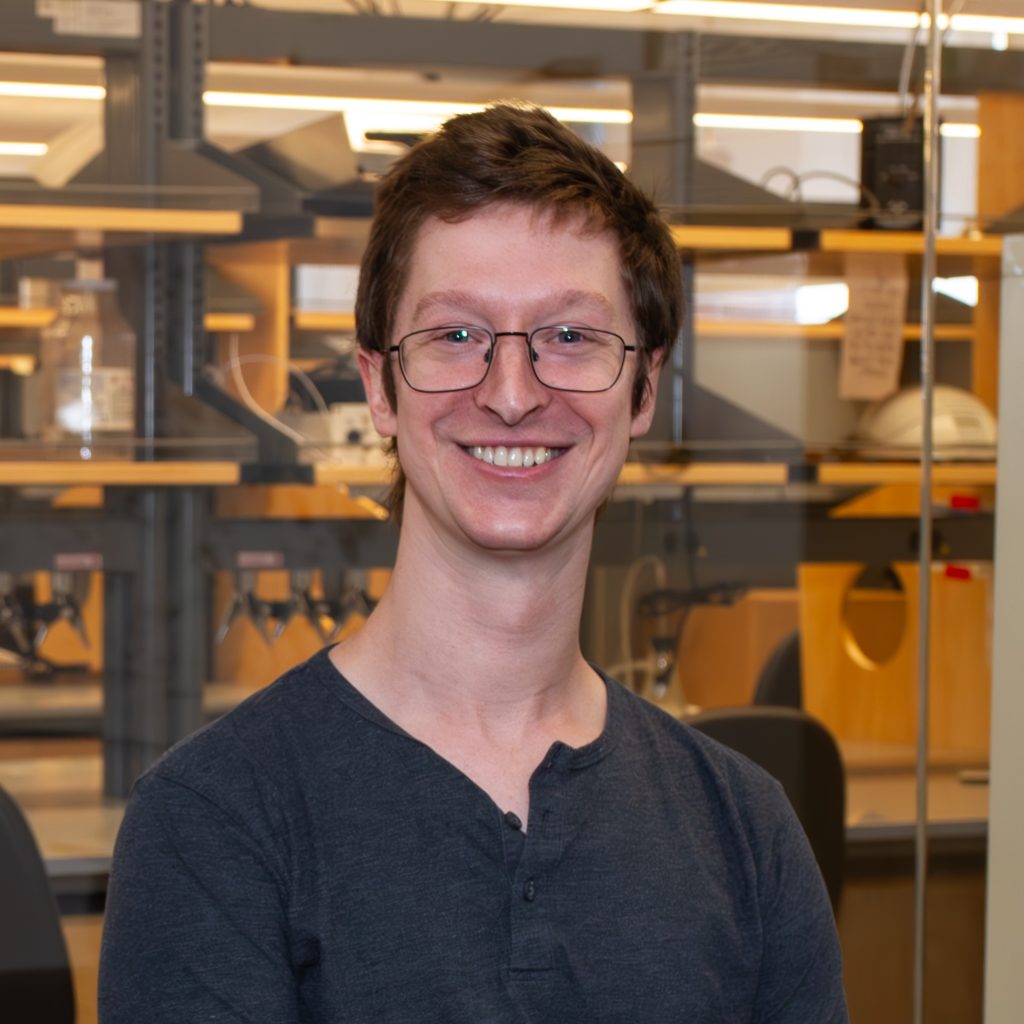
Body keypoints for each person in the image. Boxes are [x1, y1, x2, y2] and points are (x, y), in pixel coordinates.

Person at [99, 103, 848, 1023]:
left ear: (645, 387)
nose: (510, 394)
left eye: (569, 338)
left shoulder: (747, 829)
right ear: (379, 385)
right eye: (455, 336)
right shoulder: (215, 823)